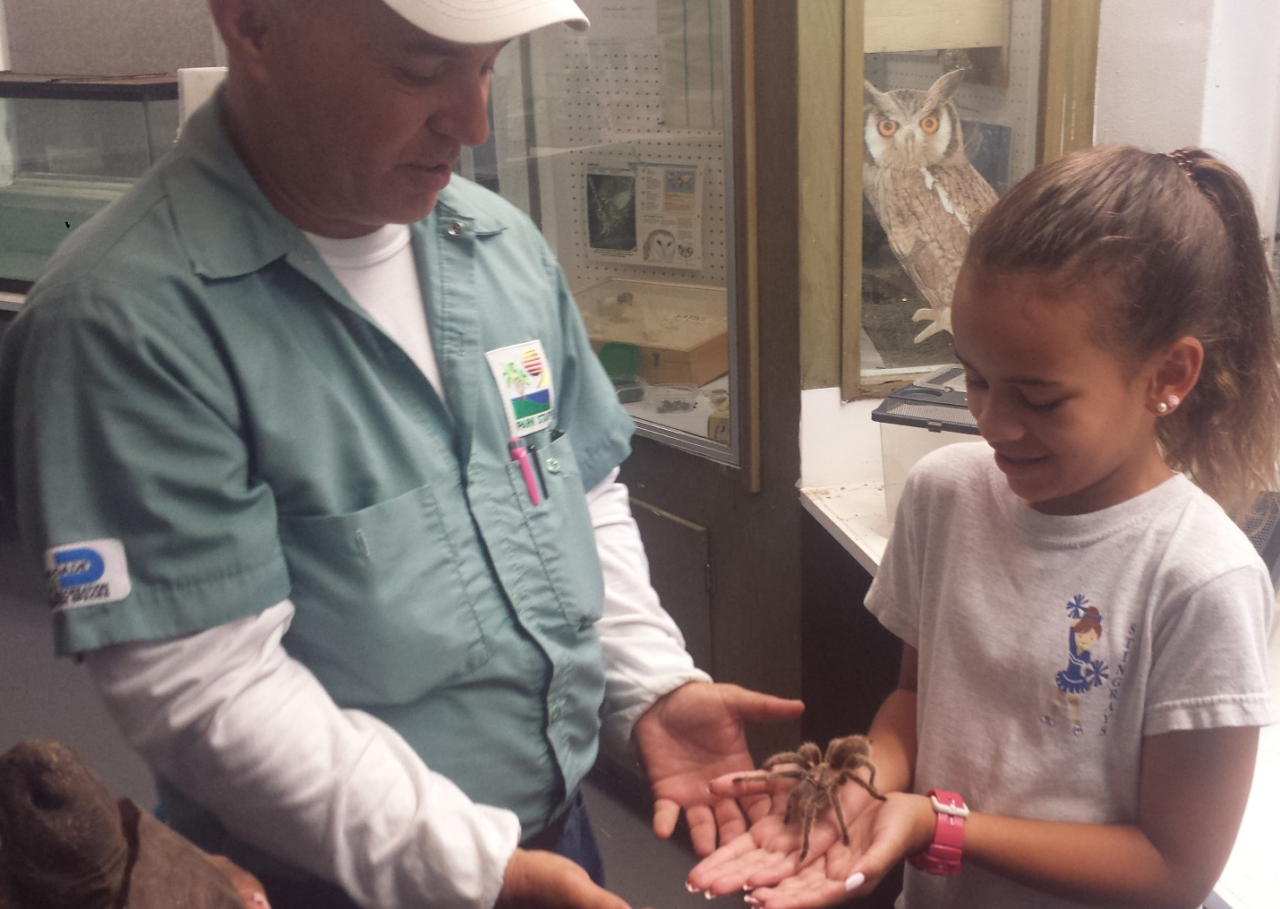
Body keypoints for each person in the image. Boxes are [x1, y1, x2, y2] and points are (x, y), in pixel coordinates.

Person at [0, 1, 803, 907]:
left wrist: (648, 682)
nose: (475, 122)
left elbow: (575, 488)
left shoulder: (498, 246)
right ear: (255, 25)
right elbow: (208, 687)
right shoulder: (122, 326)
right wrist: (472, 867)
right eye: (421, 70)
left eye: (490, 66)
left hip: (552, 838)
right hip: (316, 877)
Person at [685, 145, 1279, 908]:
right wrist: (859, 786)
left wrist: (939, 825)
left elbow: (1173, 867)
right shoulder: (944, 494)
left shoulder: (1200, 577)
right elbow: (914, 696)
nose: (994, 424)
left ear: (1168, 376)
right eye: (975, 377)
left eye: (1039, 398)